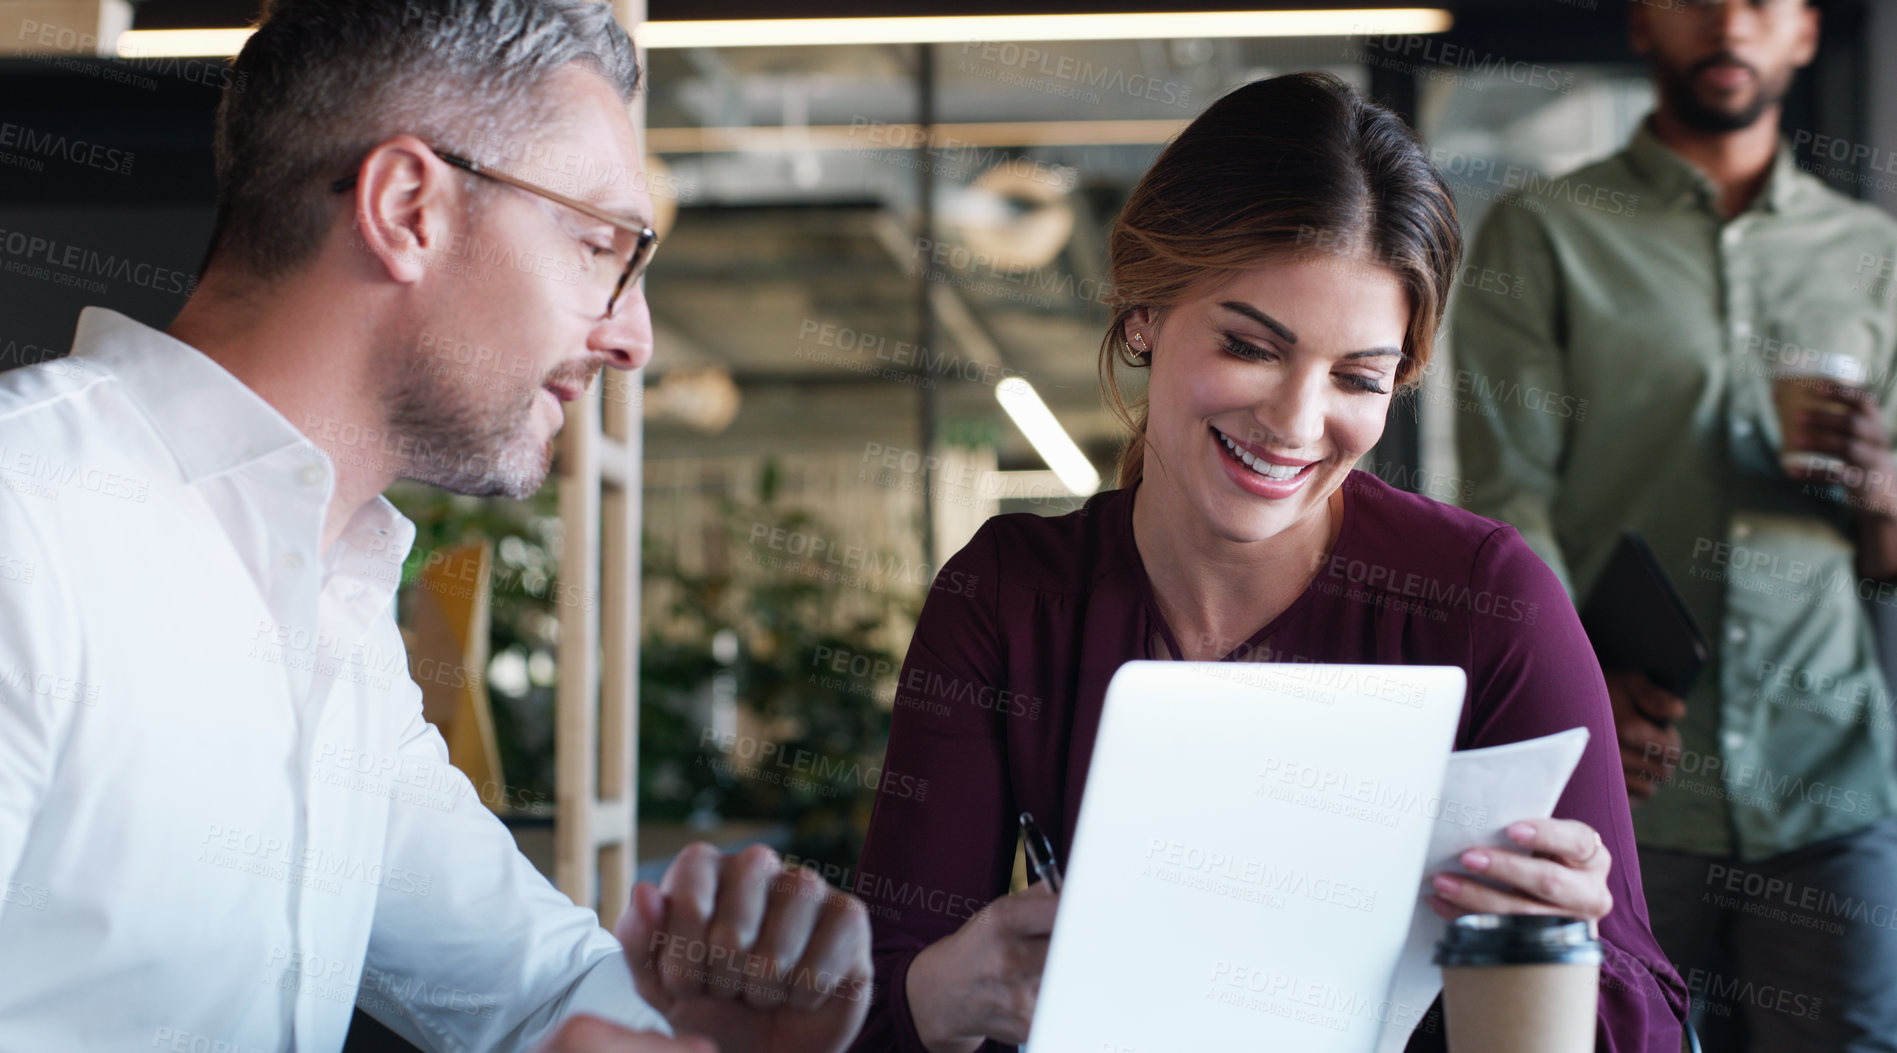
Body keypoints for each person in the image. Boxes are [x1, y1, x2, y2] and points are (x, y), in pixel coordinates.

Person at [0, 2, 871, 1051]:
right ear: (410, 206)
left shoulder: (337, 597)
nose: (632, 337)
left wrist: (694, 1033)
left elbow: (536, 987)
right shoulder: (29, 522)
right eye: (600, 245)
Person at [846, 72, 1688, 1053]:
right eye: (1250, 346)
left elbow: (1651, 1021)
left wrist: (1560, 950)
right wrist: (949, 988)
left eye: (1357, 378)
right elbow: (880, 994)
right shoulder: (1006, 596)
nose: (1294, 423)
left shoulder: (1484, 603)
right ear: (1142, 316)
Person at [1453, 1, 1897, 1048]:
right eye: (1698, 0)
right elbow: (1506, 496)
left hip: (1827, 776)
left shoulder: (1870, 254)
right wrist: (1569, 694)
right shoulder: (1547, 231)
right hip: (1630, 781)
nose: (1728, 24)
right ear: (1648, 24)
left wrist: (1882, 489)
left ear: (1803, 31)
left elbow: (1885, 561)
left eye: (1761, 3)